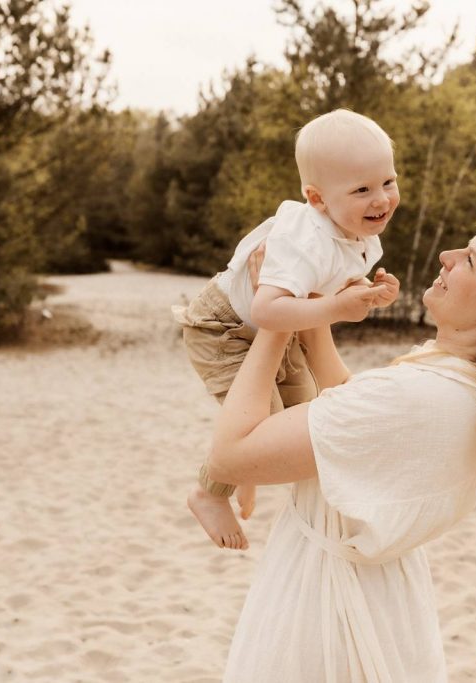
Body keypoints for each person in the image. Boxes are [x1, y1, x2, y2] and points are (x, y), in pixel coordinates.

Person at [205, 213, 476, 682]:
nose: (446, 258)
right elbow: (351, 411)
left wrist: (275, 318)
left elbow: (231, 455)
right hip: (383, 602)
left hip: (327, 615)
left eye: (469, 259)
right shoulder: (463, 389)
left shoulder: (418, 396)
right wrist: (310, 305)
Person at [172, 109, 401, 550]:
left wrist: (369, 292)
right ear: (317, 199)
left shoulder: (360, 231)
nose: (382, 200)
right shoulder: (304, 235)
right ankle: (208, 491)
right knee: (264, 427)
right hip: (225, 329)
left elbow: (331, 283)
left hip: (280, 326)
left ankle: (243, 471)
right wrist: (336, 306)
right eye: (362, 189)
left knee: (306, 412)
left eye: (388, 182)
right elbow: (269, 306)